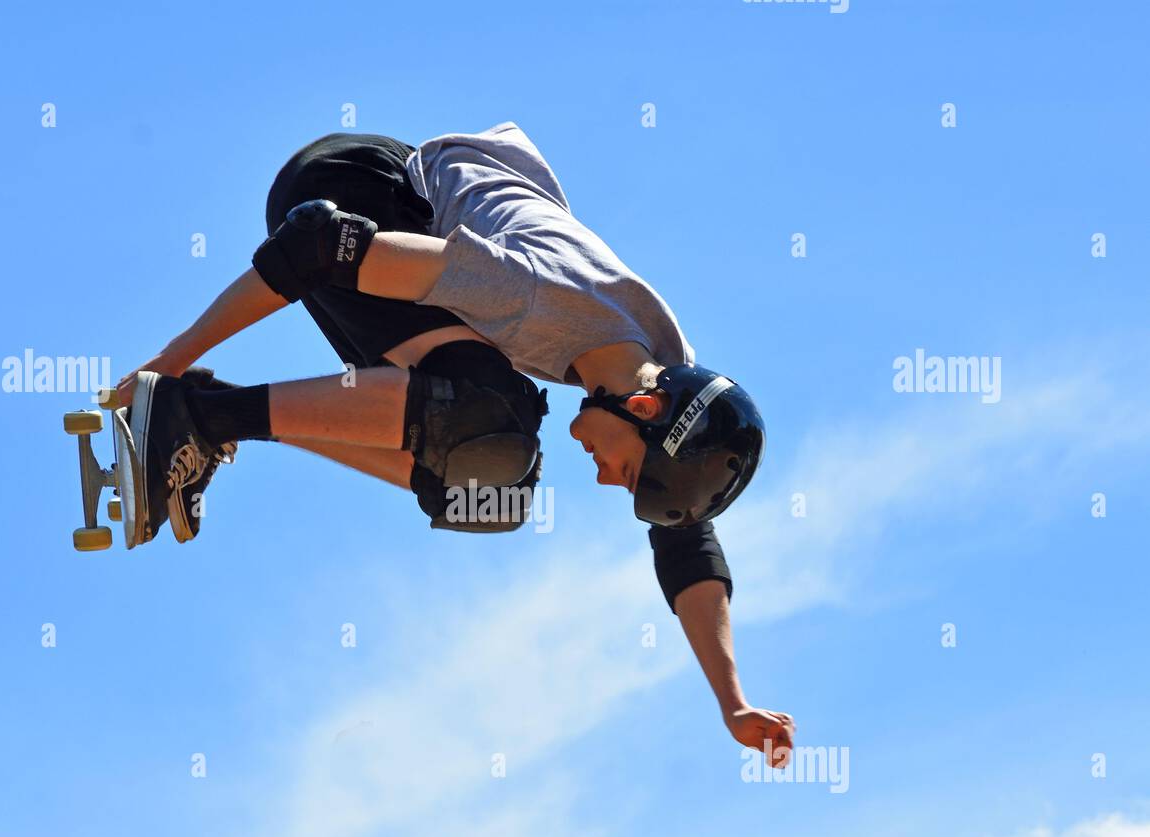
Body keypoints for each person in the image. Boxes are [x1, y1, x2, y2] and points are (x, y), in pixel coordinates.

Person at [114, 123, 794, 766]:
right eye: (629, 472)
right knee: (482, 417)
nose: (607, 482)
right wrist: (165, 364)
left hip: (419, 247)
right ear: (642, 409)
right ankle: (192, 411)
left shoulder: (669, 370)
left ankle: (209, 415)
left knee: (490, 490)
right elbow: (317, 245)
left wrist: (732, 705)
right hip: (354, 184)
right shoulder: (527, 293)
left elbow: (688, 543)